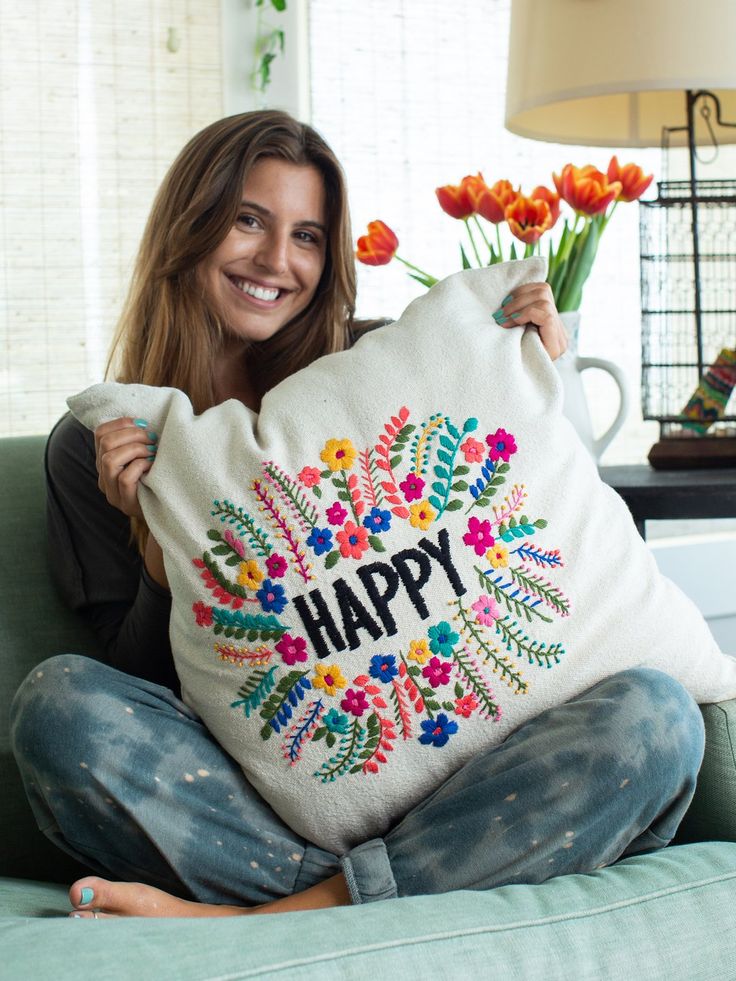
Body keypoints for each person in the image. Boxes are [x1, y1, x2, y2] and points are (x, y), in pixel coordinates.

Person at [10, 110, 704, 920]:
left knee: (656, 717)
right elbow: (143, 695)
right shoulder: (103, 444)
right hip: (269, 807)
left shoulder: (386, 367)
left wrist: (548, 375)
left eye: (306, 235)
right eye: (247, 221)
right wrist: (167, 566)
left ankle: (278, 917)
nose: (276, 260)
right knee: (57, 708)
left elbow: (550, 522)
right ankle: (409, 882)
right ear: (189, 228)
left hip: (454, 775)